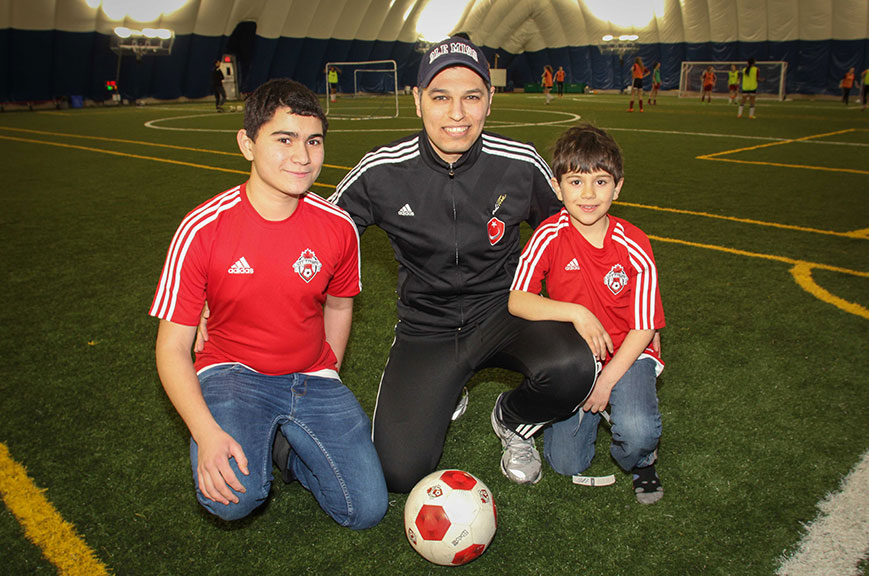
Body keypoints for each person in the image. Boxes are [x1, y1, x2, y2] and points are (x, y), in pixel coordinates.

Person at [328, 36, 599, 492]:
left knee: (576, 366)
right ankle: (445, 388)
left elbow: (575, 239)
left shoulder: (519, 163)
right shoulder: (381, 170)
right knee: (398, 472)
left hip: (506, 313)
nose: (457, 113)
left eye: (471, 97)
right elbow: (318, 232)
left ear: (489, 100)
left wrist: (602, 311)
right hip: (427, 328)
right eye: (441, 97)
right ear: (418, 101)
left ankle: (512, 419)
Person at [150, 78, 387, 527]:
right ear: (247, 144)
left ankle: (287, 452)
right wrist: (206, 432)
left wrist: (329, 370)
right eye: (284, 140)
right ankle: (264, 435)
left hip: (312, 375)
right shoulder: (202, 229)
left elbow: (339, 305)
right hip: (234, 373)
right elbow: (172, 348)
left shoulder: (339, 226)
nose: (302, 156)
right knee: (231, 499)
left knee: (366, 510)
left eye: (313, 141)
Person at [509, 123, 666, 504]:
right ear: (557, 187)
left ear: (618, 187)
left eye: (601, 181)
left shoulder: (634, 242)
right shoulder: (548, 235)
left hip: (630, 353)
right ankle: (593, 409)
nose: (589, 194)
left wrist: (607, 382)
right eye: (576, 182)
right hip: (578, 359)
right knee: (565, 463)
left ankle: (642, 458)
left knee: (639, 431)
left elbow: (645, 328)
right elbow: (517, 300)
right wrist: (576, 312)